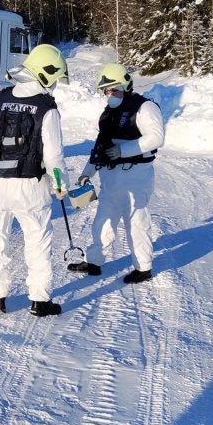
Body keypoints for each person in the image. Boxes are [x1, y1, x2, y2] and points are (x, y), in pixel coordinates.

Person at [0, 44, 70, 316]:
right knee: (37, 242)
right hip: (31, 188)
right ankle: (39, 300)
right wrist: (60, 184)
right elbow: (54, 155)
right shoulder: (47, 109)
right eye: (55, 78)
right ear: (47, 74)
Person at [70, 62, 164, 283]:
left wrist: (123, 150)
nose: (109, 95)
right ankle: (94, 262)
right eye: (106, 91)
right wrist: (87, 172)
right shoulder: (108, 113)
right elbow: (100, 145)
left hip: (136, 175)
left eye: (113, 89)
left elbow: (156, 138)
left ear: (126, 85)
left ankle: (143, 268)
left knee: (136, 221)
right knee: (102, 220)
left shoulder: (145, 107)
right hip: (111, 178)